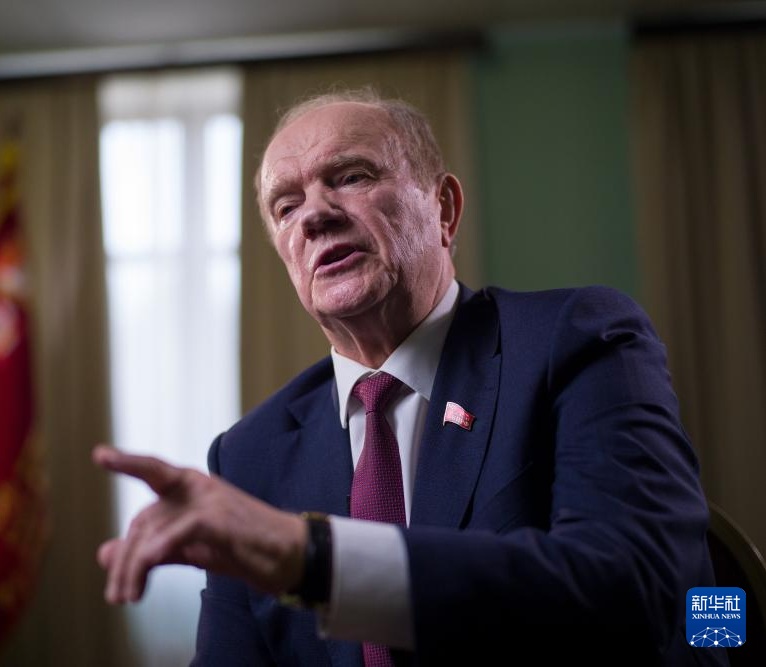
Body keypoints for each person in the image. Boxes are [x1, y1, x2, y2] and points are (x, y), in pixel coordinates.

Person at [94, 90, 725, 666]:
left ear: (444, 207)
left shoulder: (577, 339)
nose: (314, 216)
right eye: (286, 207)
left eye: (351, 177)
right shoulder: (248, 455)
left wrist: (309, 557)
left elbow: (639, 590)